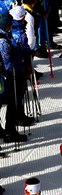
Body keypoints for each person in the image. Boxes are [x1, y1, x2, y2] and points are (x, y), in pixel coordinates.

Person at [0, 11, 27, 143]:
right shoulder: (3, 41)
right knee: (12, 103)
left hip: (4, 78)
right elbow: (7, 62)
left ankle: (2, 130)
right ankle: (10, 131)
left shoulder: (4, 36)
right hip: (8, 78)